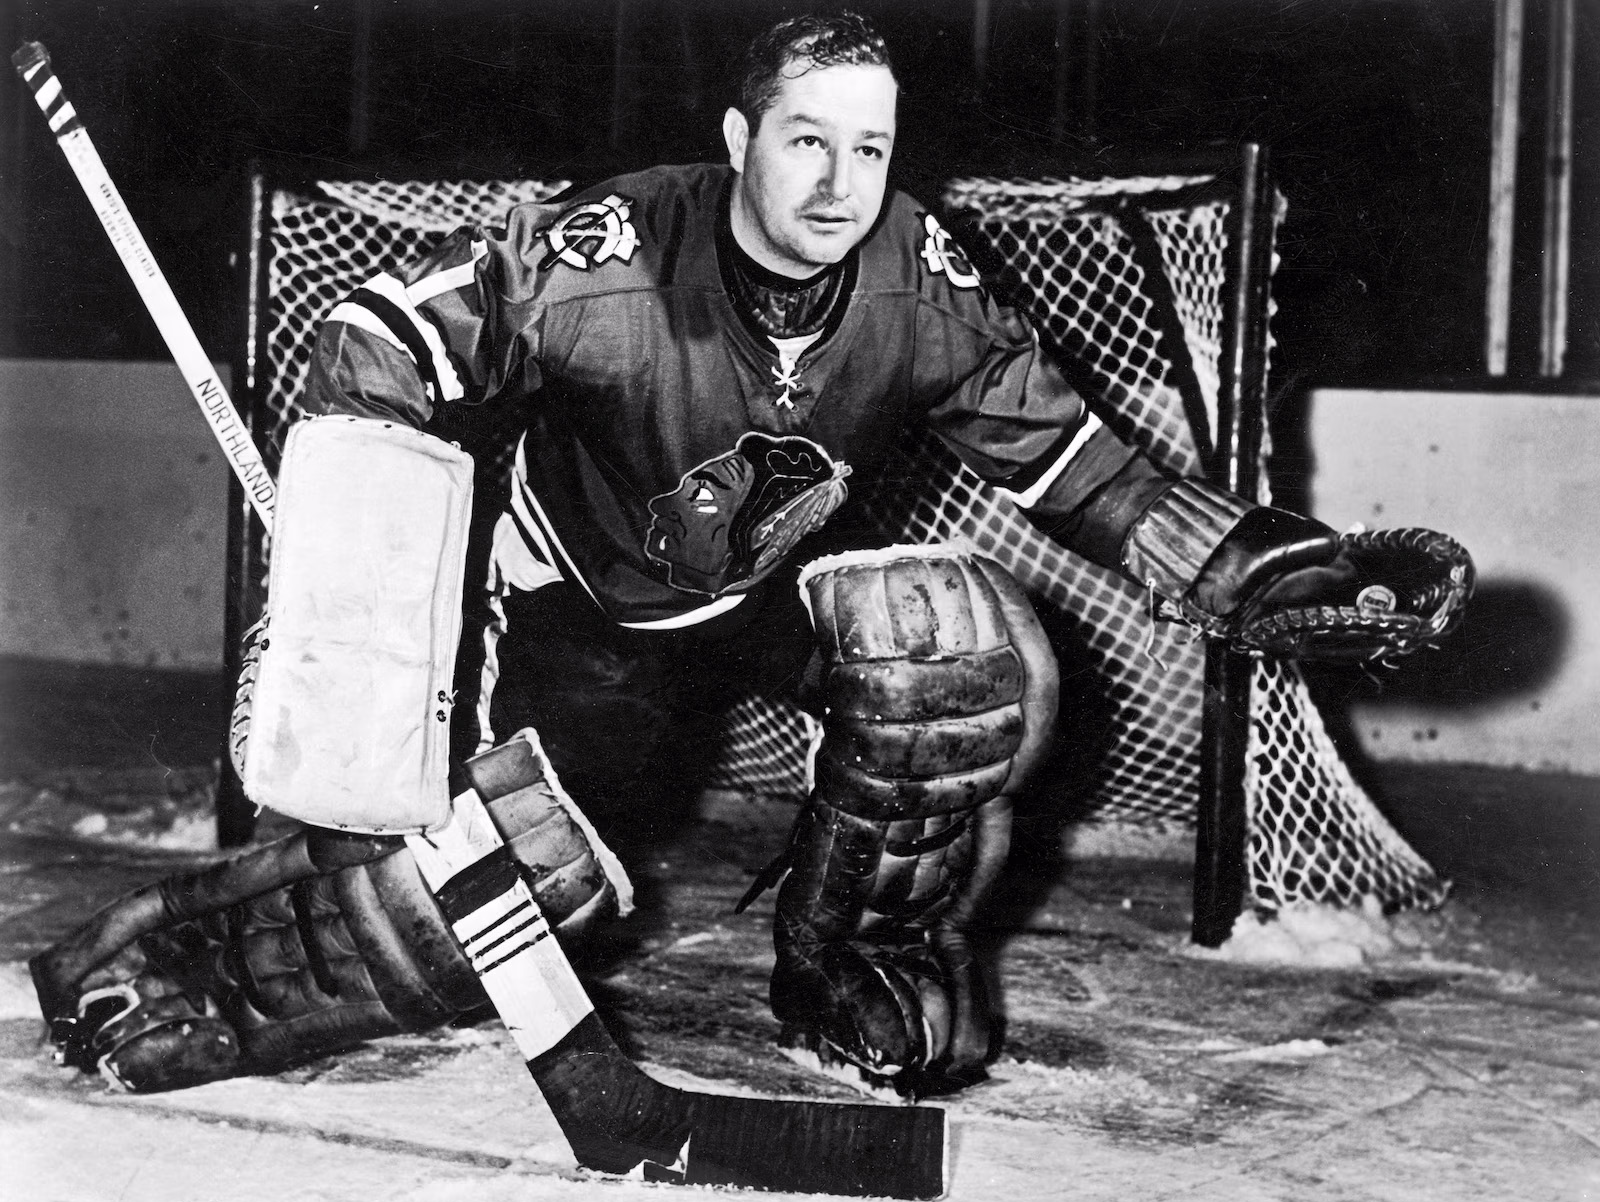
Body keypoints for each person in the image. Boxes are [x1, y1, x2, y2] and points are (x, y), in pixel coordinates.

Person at [32, 12, 1374, 1098]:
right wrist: (372, 482)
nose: (842, 183)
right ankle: (228, 963)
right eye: (807, 142)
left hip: (749, 592)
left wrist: (1247, 566)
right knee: (524, 878)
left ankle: (854, 961)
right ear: (740, 140)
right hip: (575, 605)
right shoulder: (616, 253)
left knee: (949, 662)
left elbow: (1080, 468)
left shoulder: (924, 280)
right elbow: (395, 327)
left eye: (871, 147)